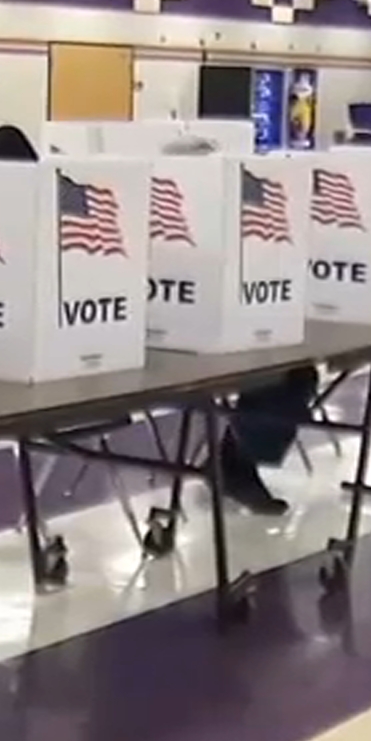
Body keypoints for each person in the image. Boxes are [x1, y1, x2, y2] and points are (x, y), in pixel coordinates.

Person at [156, 136, 317, 515]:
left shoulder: (227, 218)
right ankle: (234, 464)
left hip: (216, 333)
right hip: (164, 347)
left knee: (294, 373)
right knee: (276, 375)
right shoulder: (155, 215)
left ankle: (236, 461)